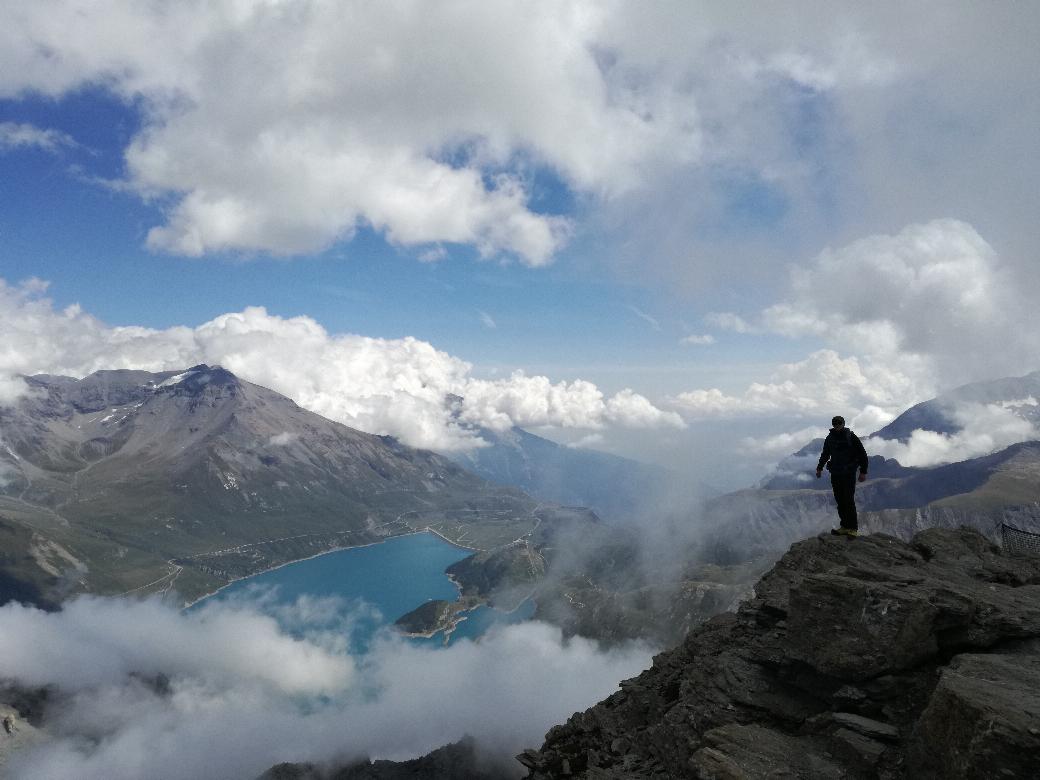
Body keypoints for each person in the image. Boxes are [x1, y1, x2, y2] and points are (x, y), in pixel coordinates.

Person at [816, 415, 868, 537]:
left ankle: (853, 528)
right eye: (835, 424)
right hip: (836, 473)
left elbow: (862, 454)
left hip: (849, 473)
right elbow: (825, 454)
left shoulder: (851, 437)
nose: (837, 426)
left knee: (848, 500)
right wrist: (819, 468)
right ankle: (844, 526)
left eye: (839, 424)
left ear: (843, 424)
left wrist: (863, 471)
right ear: (833, 425)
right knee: (840, 500)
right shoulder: (830, 438)